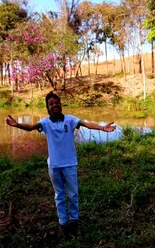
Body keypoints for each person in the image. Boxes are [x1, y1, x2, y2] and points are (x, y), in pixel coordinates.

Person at [6, 91, 116, 237]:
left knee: (73, 194)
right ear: (48, 108)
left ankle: (74, 222)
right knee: (59, 195)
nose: (55, 105)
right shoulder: (45, 122)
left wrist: (102, 128)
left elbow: (86, 124)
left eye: (57, 102)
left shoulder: (70, 120)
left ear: (60, 105)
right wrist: (17, 125)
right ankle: (63, 224)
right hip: (54, 166)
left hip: (70, 164)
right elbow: (31, 127)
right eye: (51, 104)